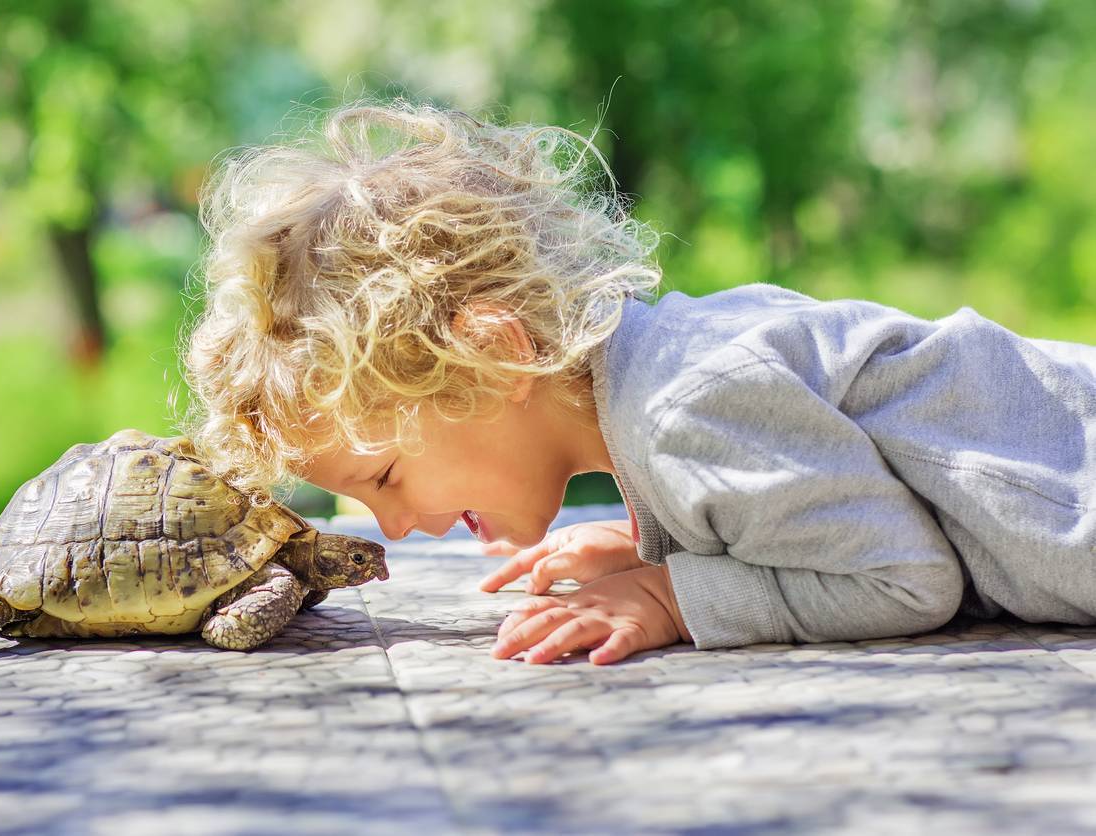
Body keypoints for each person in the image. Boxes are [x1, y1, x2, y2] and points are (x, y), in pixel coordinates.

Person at [176, 98, 1096, 666]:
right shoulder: (672, 377)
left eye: (385, 479)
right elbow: (823, 494)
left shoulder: (685, 407)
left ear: (494, 358)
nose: (395, 526)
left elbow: (902, 578)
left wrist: (671, 595)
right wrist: (666, 536)